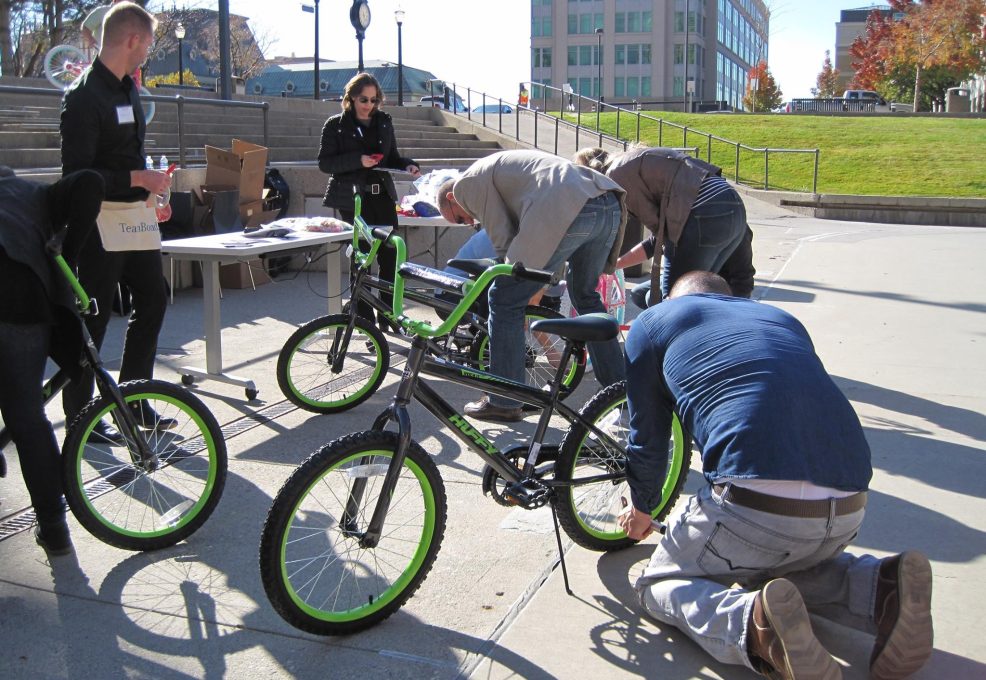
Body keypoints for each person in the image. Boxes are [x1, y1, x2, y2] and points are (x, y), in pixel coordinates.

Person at [619, 271, 933, 680]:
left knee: (657, 583)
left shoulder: (653, 322)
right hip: (850, 500)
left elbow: (649, 439)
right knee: (773, 564)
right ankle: (879, 587)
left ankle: (753, 626)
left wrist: (643, 507)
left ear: (671, 299)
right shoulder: (780, 318)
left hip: (755, 507)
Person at [436, 150, 627, 422]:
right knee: (585, 296)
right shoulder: (498, 172)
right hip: (607, 201)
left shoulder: (465, 185)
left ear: (452, 199)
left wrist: (513, 278)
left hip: (570, 205)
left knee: (503, 299)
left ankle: (504, 400)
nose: (469, 223)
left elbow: (503, 237)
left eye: (458, 218)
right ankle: (620, 390)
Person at [60, 1, 173, 445]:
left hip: (133, 217)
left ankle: (135, 398)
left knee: (154, 299)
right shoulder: (83, 96)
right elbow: (77, 177)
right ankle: (81, 417)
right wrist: (134, 178)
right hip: (96, 226)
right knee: (94, 318)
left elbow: (129, 156)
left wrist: (151, 190)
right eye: (148, 44)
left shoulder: (129, 90)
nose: (149, 53)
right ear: (133, 40)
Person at [0, 166, 104, 556]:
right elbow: (91, 181)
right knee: (26, 415)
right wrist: (67, 249)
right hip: (20, 296)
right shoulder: (33, 193)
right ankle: (54, 527)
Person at [573, 146, 751, 304]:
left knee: (675, 297)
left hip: (704, 210)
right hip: (732, 204)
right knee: (714, 287)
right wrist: (615, 265)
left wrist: (605, 263)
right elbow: (657, 239)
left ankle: (674, 337)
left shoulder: (616, 174)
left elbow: (659, 235)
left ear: (592, 171)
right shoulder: (635, 160)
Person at [318, 72, 420, 326]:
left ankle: (387, 316)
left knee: (390, 258)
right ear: (351, 98)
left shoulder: (384, 121)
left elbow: (393, 157)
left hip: (382, 198)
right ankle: (363, 320)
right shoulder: (335, 125)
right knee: (362, 260)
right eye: (364, 100)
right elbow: (324, 163)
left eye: (374, 100)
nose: (369, 106)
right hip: (354, 200)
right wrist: (358, 161)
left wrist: (408, 165)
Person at [616, 226, 756, 308]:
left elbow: (744, 279)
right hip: (687, 277)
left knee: (652, 298)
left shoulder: (735, 229)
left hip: (717, 288)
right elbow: (652, 244)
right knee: (638, 293)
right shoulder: (680, 216)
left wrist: (734, 308)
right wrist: (615, 264)